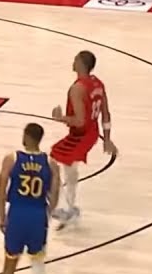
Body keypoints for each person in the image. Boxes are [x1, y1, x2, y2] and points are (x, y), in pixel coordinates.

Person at [0, 122, 58, 274]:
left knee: (9, 264)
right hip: (37, 215)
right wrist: (47, 214)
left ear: (27, 137)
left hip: (18, 214)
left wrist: (2, 216)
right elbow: (55, 194)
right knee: (38, 265)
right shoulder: (50, 163)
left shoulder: (12, 158)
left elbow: (1, 188)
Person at [49, 51, 114, 229]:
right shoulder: (98, 84)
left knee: (54, 162)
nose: (73, 61)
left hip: (81, 135)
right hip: (92, 132)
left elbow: (79, 121)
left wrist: (60, 118)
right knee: (68, 167)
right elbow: (106, 113)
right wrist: (107, 139)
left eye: (75, 59)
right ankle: (69, 207)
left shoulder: (77, 89)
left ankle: (66, 208)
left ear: (81, 64)